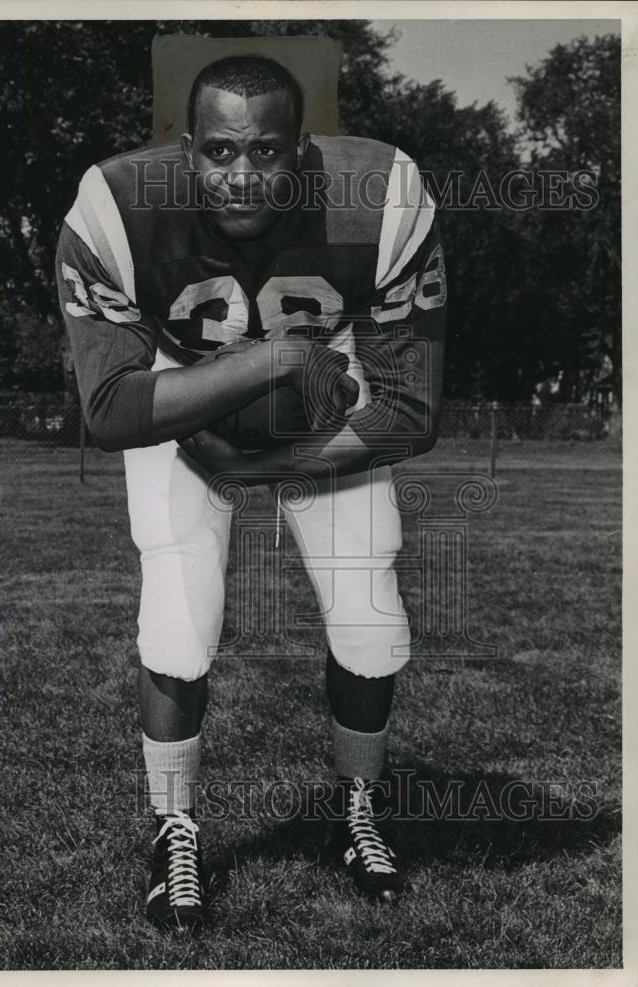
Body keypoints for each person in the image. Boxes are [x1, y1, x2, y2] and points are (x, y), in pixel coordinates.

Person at [55, 54, 446, 930]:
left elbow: (413, 409)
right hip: (176, 370)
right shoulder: (115, 207)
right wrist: (271, 357)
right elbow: (113, 408)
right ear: (189, 149)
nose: (242, 175)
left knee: (369, 610)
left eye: (265, 152)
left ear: (301, 152)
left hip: (331, 368)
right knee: (179, 605)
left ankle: (359, 810)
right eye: (221, 152)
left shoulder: (380, 196)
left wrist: (262, 464)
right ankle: (173, 826)